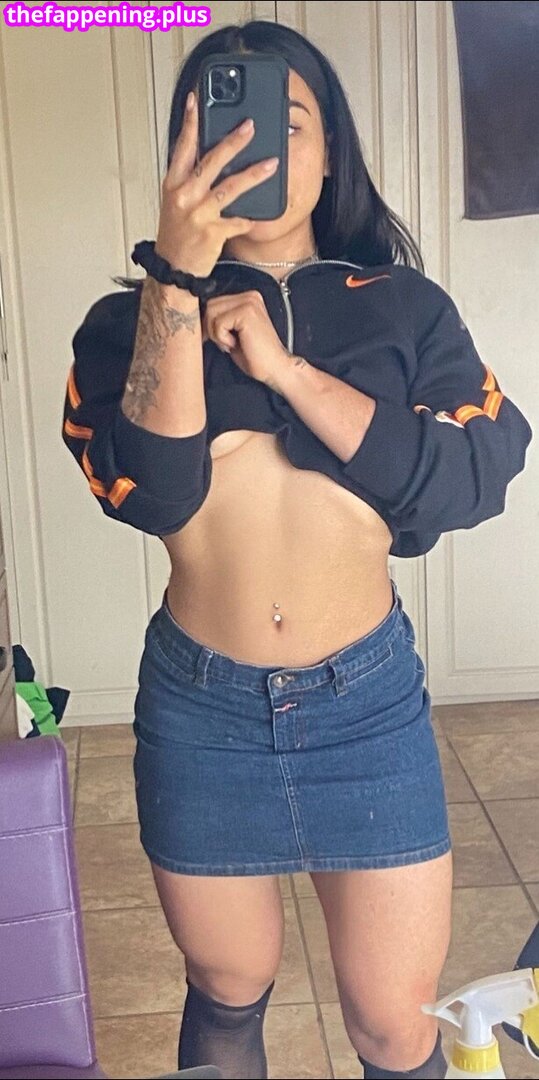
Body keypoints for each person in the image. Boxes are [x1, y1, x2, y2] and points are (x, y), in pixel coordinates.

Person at [62, 19, 533, 1080]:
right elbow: (151, 491)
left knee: (393, 1025)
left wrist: (283, 373)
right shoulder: (124, 326)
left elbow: (469, 476)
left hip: (364, 705)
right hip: (200, 710)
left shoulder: (404, 308)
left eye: (287, 122)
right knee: (226, 989)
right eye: (219, 127)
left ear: (327, 157)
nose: (253, 147)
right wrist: (174, 279)